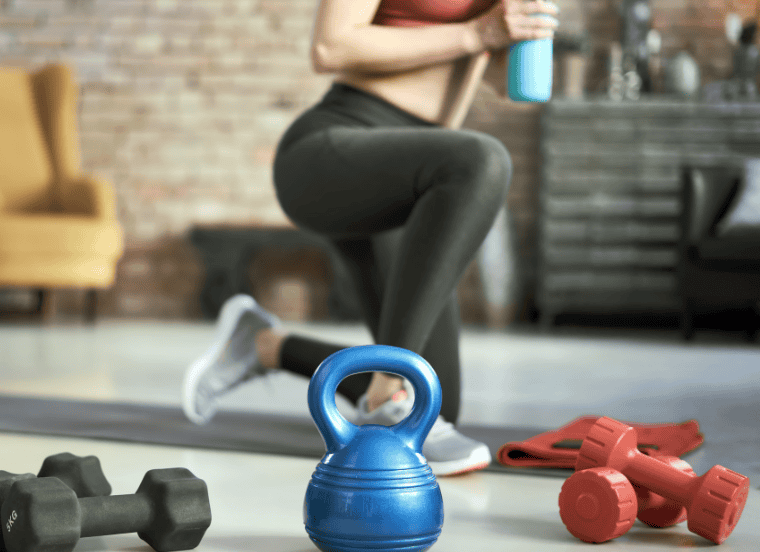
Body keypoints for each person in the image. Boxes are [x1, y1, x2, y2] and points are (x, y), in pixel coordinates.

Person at [182, 0, 559, 476]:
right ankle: (389, 378)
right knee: (482, 162)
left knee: (436, 403)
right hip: (335, 147)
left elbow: (509, 84)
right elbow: (330, 46)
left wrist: (521, 29)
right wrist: (478, 32)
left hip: (418, 173)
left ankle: (264, 345)